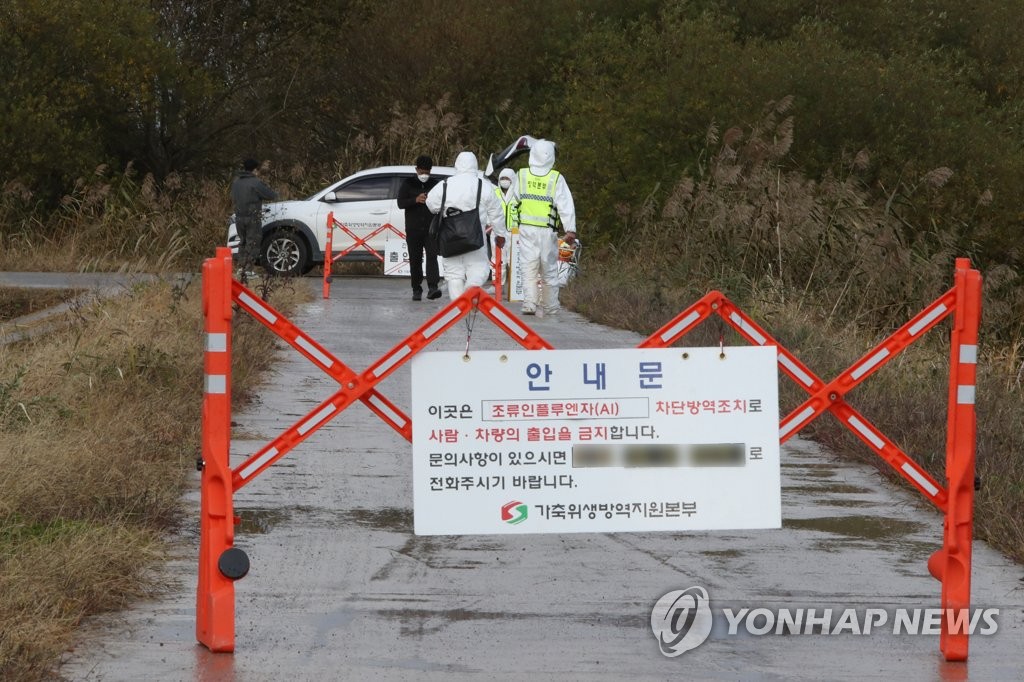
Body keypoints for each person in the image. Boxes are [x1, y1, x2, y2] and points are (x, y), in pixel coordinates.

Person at [426, 151, 507, 300]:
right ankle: (472, 288)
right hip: (475, 238)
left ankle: (459, 306)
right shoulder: (484, 186)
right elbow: (497, 213)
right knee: (479, 268)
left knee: (454, 273)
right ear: (475, 166)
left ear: (457, 165)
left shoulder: (445, 184)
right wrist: (500, 235)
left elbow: (431, 204)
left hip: (450, 237)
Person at [513, 140, 576, 317]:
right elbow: (565, 204)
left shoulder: (522, 175)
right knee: (548, 269)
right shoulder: (556, 178)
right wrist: (570, 229)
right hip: (547, 231)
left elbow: (513, 200)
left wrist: (509, 226)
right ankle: (550, 306)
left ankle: (530, 303)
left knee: (528, 266)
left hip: (526, 229)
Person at [397, 154, 442, 300]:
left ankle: (433, 287)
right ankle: (416, 289)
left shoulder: (436, 184)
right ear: (416, 169)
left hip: (431, 229)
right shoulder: (408, 183)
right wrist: (415, 200)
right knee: (415, 259)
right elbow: (400, 203)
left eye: (427, 172)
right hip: (413, 228)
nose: (424, 175)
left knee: (432, 257)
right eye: (421, 172)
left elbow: (442, 203)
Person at [231, 158, 278, 277]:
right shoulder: (255, 182)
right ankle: (248, 270)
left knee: (242, 242)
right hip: (252, 217)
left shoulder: (236, 182)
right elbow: (271, 195)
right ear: (255, 169)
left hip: (239, 217)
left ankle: (241, 268)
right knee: (252, 243)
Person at [490, 168, 517, 289]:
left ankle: (516, 288)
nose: (504, 181)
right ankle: (497, 286)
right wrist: (488, 224)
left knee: (514, 260)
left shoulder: (518, 195)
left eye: (507, 179)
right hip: (497, 232)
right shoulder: (494, 192)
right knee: (497, 259)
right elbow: (487, 210)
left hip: (515, 233)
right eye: (502, 178)